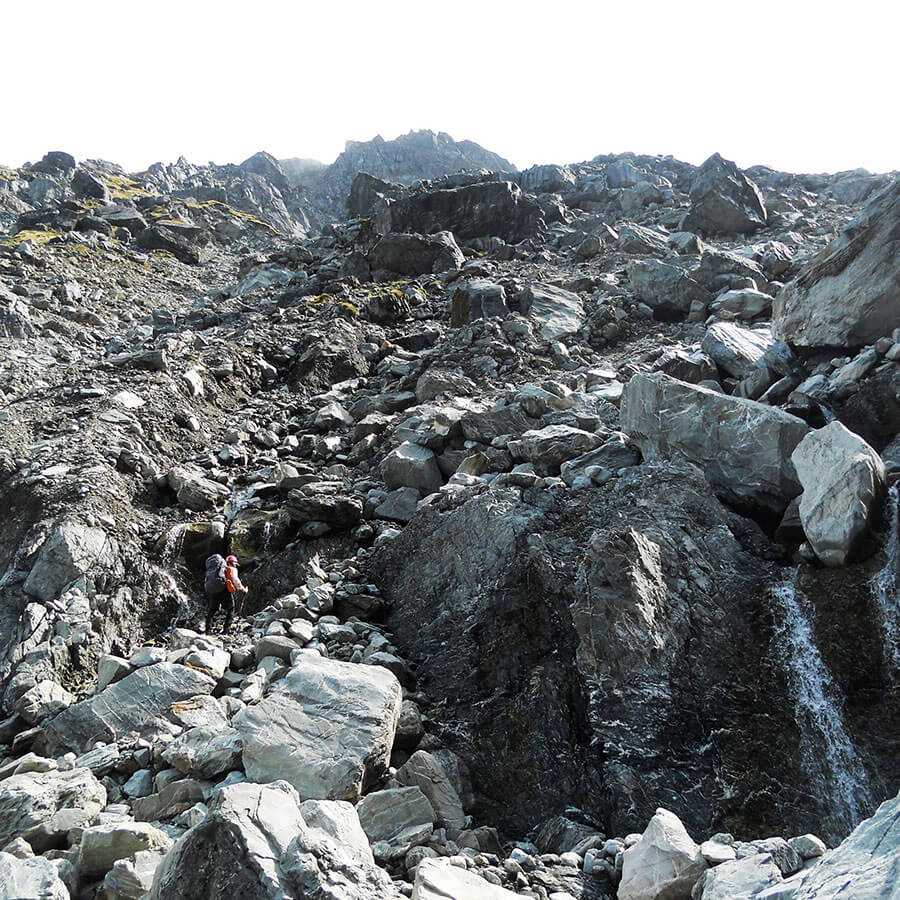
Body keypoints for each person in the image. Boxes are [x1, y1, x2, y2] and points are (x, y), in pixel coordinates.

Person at [204, 553, 247, 633]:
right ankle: (226, 630)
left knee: (212, 610)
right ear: (232, 562)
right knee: (231, 609)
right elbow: (235, 580)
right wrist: (242, 589)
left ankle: (207, 630)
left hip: (213, 590)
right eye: (235, 563)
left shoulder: (217, 570)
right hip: (224, 590)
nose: (236, 565)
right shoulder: (231, 569)